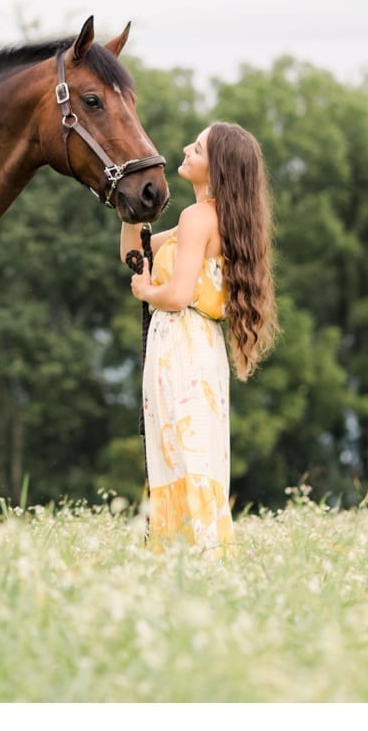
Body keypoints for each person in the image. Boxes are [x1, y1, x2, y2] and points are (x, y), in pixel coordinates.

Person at [120, 121, 278, 553]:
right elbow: (136, 253)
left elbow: (178, 294)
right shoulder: (218, 219)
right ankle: (199, 551)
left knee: (179, 452)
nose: (187, 148)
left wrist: (146, 291)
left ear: (218, 168)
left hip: (180, 344)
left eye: (200, 148)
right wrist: (132, 207)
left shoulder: (196, 219)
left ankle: (184, 553)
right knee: (196, 453)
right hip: (200, 345)